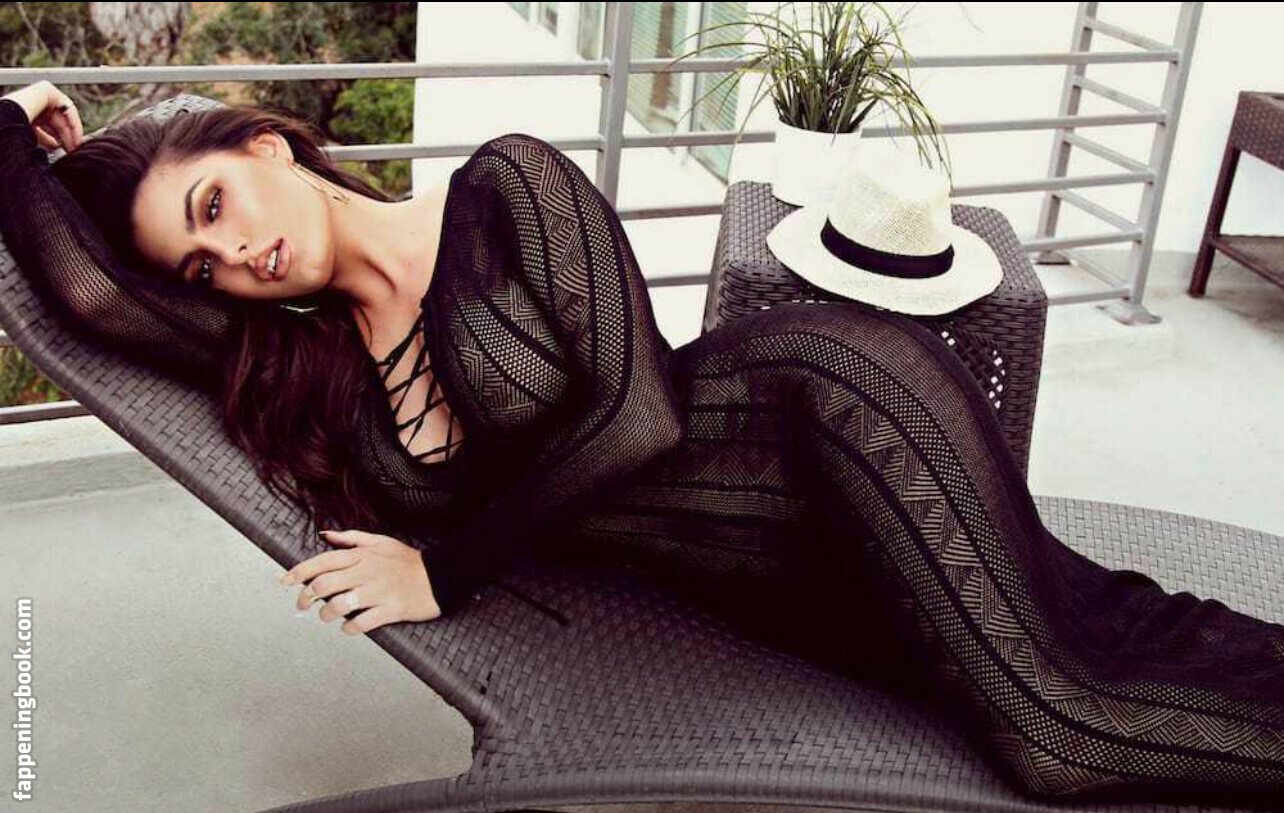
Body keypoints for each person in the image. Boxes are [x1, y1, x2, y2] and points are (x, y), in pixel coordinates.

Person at [3, 81, 1284, 806]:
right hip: (780, 576)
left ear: (267, 145)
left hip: (832, 415)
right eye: (204, 263)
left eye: (216, 203)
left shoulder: (506, 186)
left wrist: (445, 569)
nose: (234, 252)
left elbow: (640, 417)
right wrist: (14, 129)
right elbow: (95, 297)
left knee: (1061, 729)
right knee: (1106, 627)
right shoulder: (322, 361)